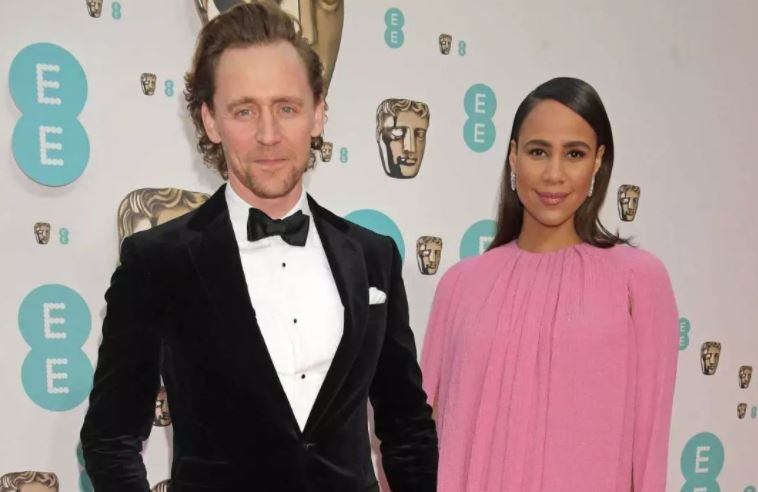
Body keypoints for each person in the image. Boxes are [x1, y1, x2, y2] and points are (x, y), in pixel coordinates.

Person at [80, 2, 437, 491]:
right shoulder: (157, 262)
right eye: (244, 111)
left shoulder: (373, 256)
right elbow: (110, 438)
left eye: (286, 108)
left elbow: (407, 427)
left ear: (318, 114)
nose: (268, 136)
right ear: (210, 121)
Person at [421, 77, 678, 491]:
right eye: (538, 151)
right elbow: (420, 435)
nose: (554, 174)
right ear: (513, 157)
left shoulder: (638, 281)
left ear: (597, 161)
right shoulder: (460, 286)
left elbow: (649, 449)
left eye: (574, 154)